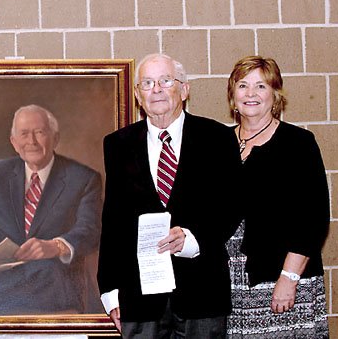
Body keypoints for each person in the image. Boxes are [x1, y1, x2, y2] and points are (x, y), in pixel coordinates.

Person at [97, 53, 242, 338]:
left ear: (184, 89)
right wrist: (111, 291)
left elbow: (231, 205)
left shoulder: (217, 138)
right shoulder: (117, 144)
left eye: (165, 81)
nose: (157, 89)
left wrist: (192, 239)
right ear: (138, 96)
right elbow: (113, 220)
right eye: (148, 83)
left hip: (202, 292)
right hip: (139, 297)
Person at [0, 104, 103, 315]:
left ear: (55, 138)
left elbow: (91, 229)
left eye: (40, 132)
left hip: (54, 276)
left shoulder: (83, 178)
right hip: (2, 271)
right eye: (24, 134)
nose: (31, 142)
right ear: (14, 142)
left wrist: (56, 246)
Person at [225, 56, 329, 338]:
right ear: (233, 94)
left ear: (275, 94)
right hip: (229, 285)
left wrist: (289, 277)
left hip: (281, 278)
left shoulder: (299, 143)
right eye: (243, 85)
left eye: (261, 86)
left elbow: (313, 219)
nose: (251, 94)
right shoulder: (219, 143)